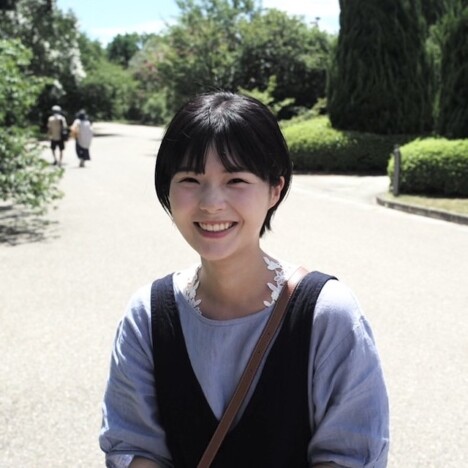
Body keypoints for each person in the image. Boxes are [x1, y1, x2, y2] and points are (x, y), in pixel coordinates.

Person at [99, 91, 389, 467]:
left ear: (275, 189)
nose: (211, 203)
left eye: (235, 179)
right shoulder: (148, 316)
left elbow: (351, 455)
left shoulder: (327, 315)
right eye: (190, 179)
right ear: (167, 189)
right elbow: (134, 447)